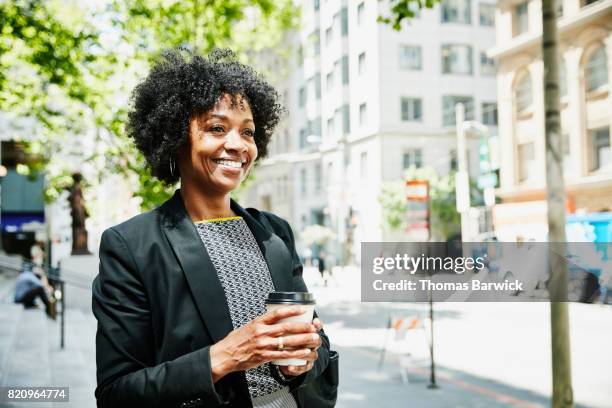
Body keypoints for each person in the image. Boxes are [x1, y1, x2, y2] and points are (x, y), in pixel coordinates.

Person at [92, 49, 334, 408]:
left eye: (248, 132)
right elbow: (117, 394)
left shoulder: (274, 233)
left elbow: (319, 346)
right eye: (217, 128)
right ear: (176, 136)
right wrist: (222, 358)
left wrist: (299, 363)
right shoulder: (132, 246)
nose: (237, 145)